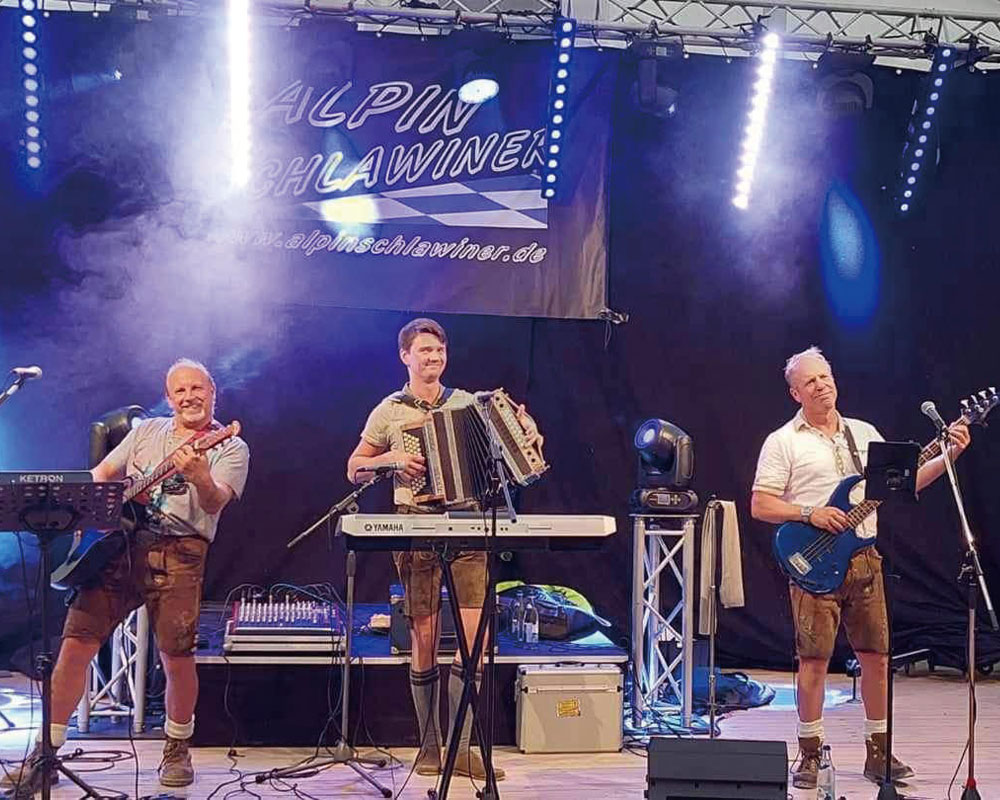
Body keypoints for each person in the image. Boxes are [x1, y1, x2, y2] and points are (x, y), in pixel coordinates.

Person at [1, 359, 249, 796]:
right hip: (117, 549)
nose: (189, 396)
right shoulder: (146, 432)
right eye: (180, 390)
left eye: (197, 388)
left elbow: (214, 503)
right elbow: (101, 476)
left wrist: (199, 477)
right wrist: (92, 513)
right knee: (75, 646)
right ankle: (47, 754)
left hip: (180, 552)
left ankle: (177, 748)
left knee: (177, 656)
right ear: (168, 398)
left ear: (213, 394)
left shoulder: (230, 446)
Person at [751, 346, 969, 789]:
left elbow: (902, 485)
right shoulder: (783, 441)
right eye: (810, 381)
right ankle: (809, 753)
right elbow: (761, 504)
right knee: (813, 661)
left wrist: (948, 456)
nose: (821, 386)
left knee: (877, 659)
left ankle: (878, 751)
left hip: (865, 560)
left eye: (824, 377)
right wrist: (810, 513)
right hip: (814, 563)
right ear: (795, 393)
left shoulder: (864, 433)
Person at [347, 318, 541, 781]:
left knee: (476, 639)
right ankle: (429, 747)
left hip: (467, 523)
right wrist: (391, 459)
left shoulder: (469, 403)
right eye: (424, 351)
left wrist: (529, 432)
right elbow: (354, 468)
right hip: (415, 526)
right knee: (424, 636)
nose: (433, 357)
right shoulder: (389, 410)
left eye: (439, 350)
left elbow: (518, 443)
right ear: (405, 357)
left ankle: (462, 746)